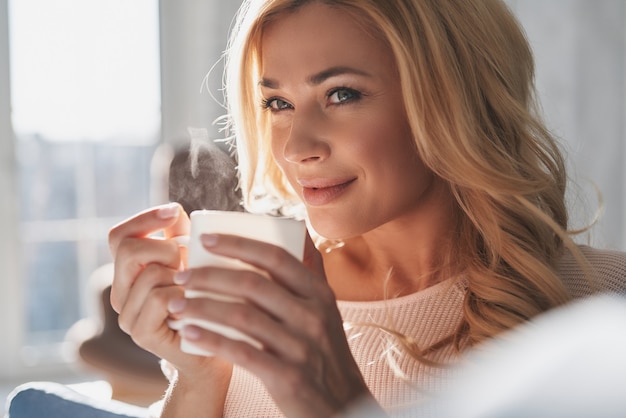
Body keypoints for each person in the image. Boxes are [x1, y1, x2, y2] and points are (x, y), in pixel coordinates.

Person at [8, 0, 626, 417]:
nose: (297, 148)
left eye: (342, 94)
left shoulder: (606, 309)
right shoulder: (259, 301)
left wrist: (340, 405)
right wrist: (196, 382)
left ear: (454, 101)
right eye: (276, 103)